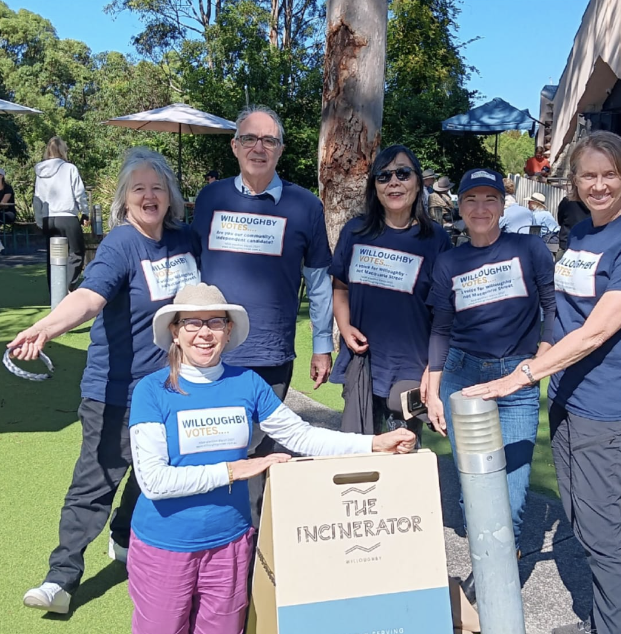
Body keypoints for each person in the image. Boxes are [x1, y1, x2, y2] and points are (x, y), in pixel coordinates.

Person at [462, 132, 621, 634]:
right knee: (580, 517)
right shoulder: (583, 232)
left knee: (602, 531)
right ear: (573, 182)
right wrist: (540, 359)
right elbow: (565, 315)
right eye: (587, 176)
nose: (598, 185)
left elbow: (599, 327)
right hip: (570, 394)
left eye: (608, 175)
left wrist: (522, 375)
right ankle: (601, 624)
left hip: (609, 401)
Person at [128, 283, 415, 634]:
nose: (204, 333)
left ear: (228, 331)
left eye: (214, 322)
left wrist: (373, 443)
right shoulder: (152, 391)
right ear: (175, 332)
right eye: (191, 323)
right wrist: (234, 470)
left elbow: (301, 435)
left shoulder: (246, 384)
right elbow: (155, 482)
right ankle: (166, 609)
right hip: (165, 544)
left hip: (228, 540)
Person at [11, 148, 201, 616]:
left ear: (171, 195)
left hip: (171, 388)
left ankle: (122, 538)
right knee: (94, 482)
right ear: (124, 199)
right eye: (138, 188)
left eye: (157, 187)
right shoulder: (120, 244)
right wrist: (46, 328)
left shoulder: (186, 241)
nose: (149, 196)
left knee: (153, 471)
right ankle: (61, 578)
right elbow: (90, 298)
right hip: (115, 390)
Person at [424, 167, 557, 571]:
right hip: (463, 376)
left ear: (502, 206)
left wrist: (543, 357)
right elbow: (441, 328)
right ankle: (489, 570)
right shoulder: (449, 261)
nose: (480, 208)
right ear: (460, 207)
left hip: (516, 379)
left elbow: (552, 307)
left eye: (490, 199)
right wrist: (432, 387)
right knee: (473, 489)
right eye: (471, 200)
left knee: (512, 493)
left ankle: (499, 574)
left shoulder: (530, 250)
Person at [191, 106, 333, 425]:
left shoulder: (306, 207)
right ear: (235, 146)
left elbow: (320, 283)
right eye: (250, 138)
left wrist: (322, 346)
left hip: (271, 352)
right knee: (209, 449)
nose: (259, 148)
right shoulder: (210, 199)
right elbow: (191, 271)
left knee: (259, 450)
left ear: (281, 150)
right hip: (208, 349)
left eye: (269, 140)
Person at [330, 144, 450, 439]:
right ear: (374, 186)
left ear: (418, 181)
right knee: (358, 454)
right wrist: (344, 328)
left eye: (403, 173)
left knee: (403, 457)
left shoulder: (435, 239)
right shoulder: (355, 232)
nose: (393, 182)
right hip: (363, 364)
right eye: (383, 176)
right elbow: (340, 286)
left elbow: (446, 315)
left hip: (412, 368)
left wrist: (433, 370)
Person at [33, 136, 88, 290]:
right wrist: (84, 212)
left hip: (48, 218)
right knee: (76, 253)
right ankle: (67, 286)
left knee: (53, 256)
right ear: (63, 150)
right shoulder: (69, 168)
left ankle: (54, 290)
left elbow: (37, 198)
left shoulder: (40, 172)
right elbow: (79, 193)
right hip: (67, 216)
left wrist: (39, 220)